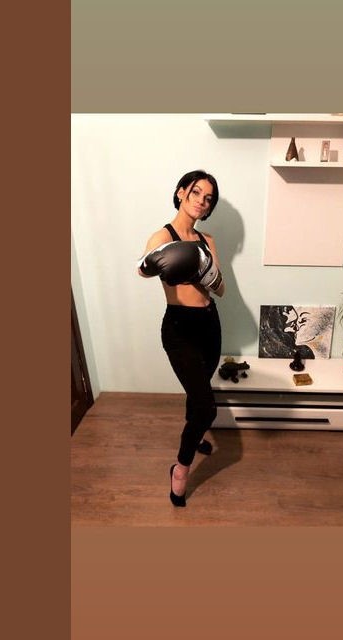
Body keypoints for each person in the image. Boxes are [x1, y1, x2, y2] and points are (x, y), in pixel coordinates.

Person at [137, 170, 225, 507]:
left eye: (208, 198)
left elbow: (222, 289)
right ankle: (181, 469)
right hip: (180, 328)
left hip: (209, 323)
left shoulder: (208, 240)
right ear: (180, 192)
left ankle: (197, 433)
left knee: (198, 390)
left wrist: (206, 272)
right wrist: (160, 262)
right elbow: (143, 270)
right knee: (205, 406)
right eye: (196, 192)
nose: (202, 201)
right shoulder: (162, 237)